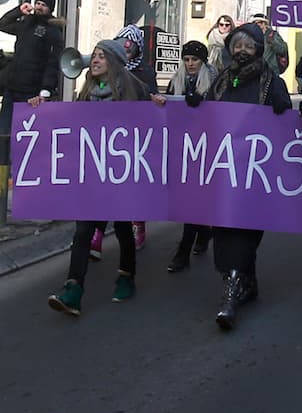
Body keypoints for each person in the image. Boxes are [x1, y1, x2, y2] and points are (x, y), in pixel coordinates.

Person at [37, 40, 149, 316]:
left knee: (123, 229)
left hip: (121, 175)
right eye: (94, 55)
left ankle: (126, 276)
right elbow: (69, 126)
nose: (94, 60)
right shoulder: (86, 92)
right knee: (83, 230)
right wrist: (39, 108)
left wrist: (157, 102)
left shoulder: (133, 91)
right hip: (93, 175)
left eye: (102, 56)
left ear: (114, 63)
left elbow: (150, 127)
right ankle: (73, 289)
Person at [201, 21, 293, 330]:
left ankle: (231, 295)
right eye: (236, 45)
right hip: (225, 172)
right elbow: (206, 112)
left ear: (258, 50)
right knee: (224, 230)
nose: (241, 51)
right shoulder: (222, 80)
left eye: (247, 46)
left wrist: (284, 108)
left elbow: (284, 119)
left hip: (256, 175)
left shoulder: (270, 81)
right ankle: (247, 283)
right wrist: (189, 104)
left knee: (244, 233)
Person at [160, 40, 217, 272]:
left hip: (206, 148)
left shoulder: (214, 81)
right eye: (186, 59)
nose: (190, 63)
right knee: (189, 198)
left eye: (194, 59)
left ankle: (183, 252)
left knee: (194, 199)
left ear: (202, 61)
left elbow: (221, 110)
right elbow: (169, 110)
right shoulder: (177, 81)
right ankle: (204, 232)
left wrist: (202, 103)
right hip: (182, 148)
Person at [0, 0, 64, 165]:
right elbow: (3, 24)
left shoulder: (53, 32)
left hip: (31, 93)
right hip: (11, 89)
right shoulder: (26, 23)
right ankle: (2, 173)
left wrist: (45, 90)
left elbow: (53, 64)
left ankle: (19, 172)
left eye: (43, 4)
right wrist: (19, 11)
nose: (39, 7)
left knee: (24, 135)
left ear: (50, 9)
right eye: (38, 3)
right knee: (3, 134)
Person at [114, 23, 157, 251]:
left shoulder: (146, 71)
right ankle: (96, 233)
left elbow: (150, 99)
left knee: (134, 183)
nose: (126, 50)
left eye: (130, 47)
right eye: (123, 45)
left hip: (135, 136)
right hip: (110, 135)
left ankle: (138, 223)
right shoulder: (108, 67)